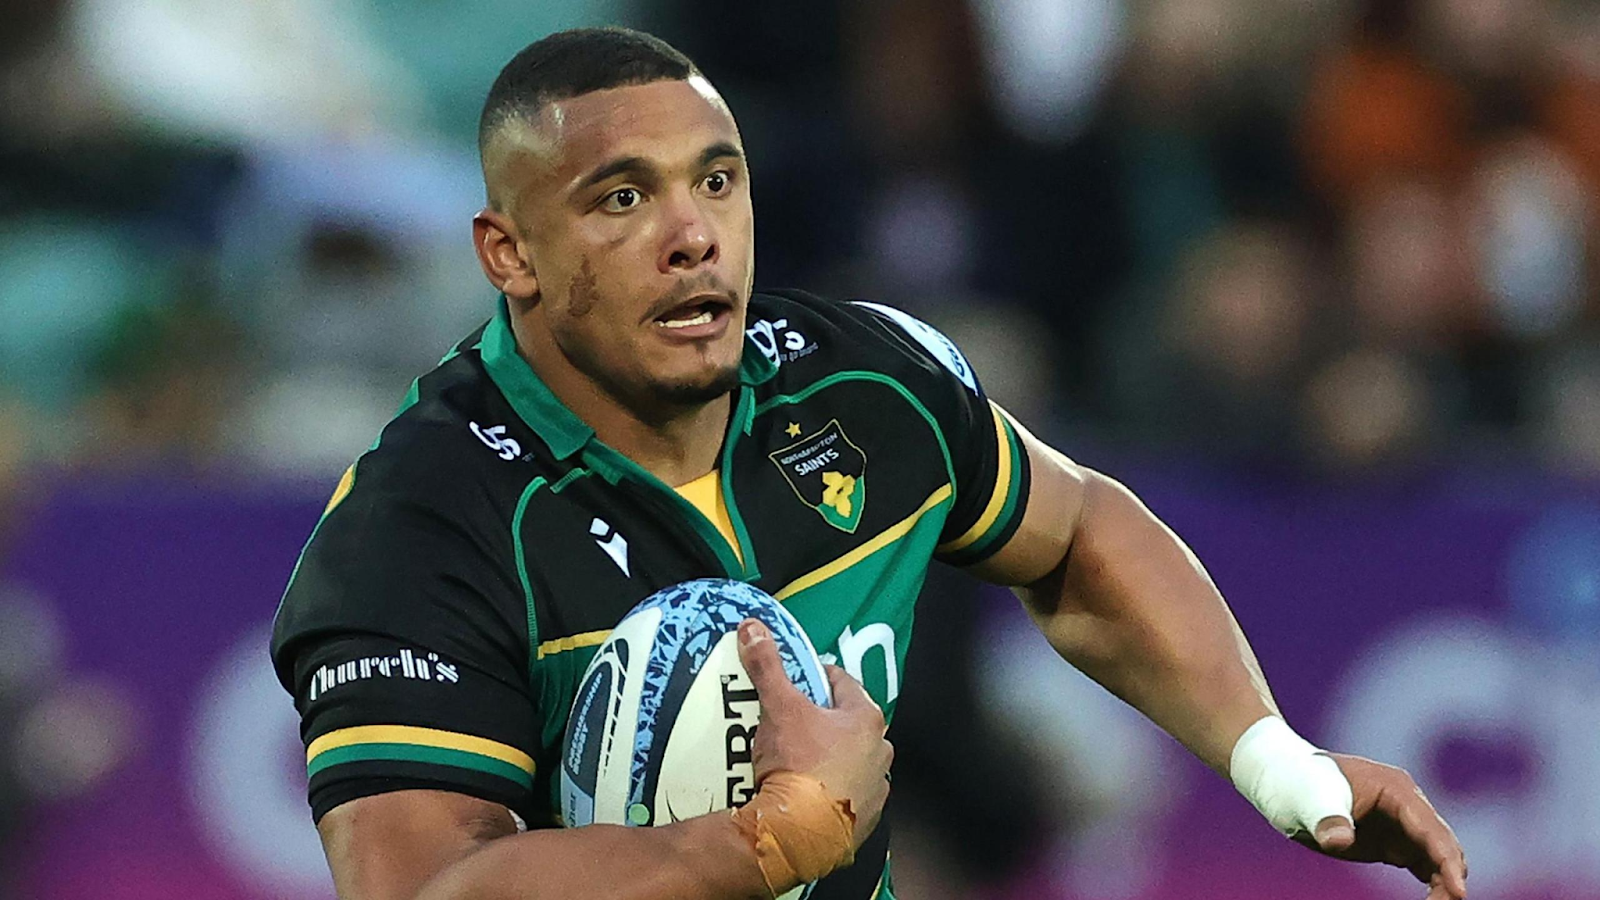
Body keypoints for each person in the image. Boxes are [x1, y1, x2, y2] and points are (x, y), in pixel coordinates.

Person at [270, 26, 1469, 900]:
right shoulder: (420, 523)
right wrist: (772, 837)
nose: (692, 235)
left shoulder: (862, 384)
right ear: (508, 253)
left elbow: (1081, 537)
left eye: (716, 180)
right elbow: (423, 892)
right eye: (621, 197)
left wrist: (1275, 763)